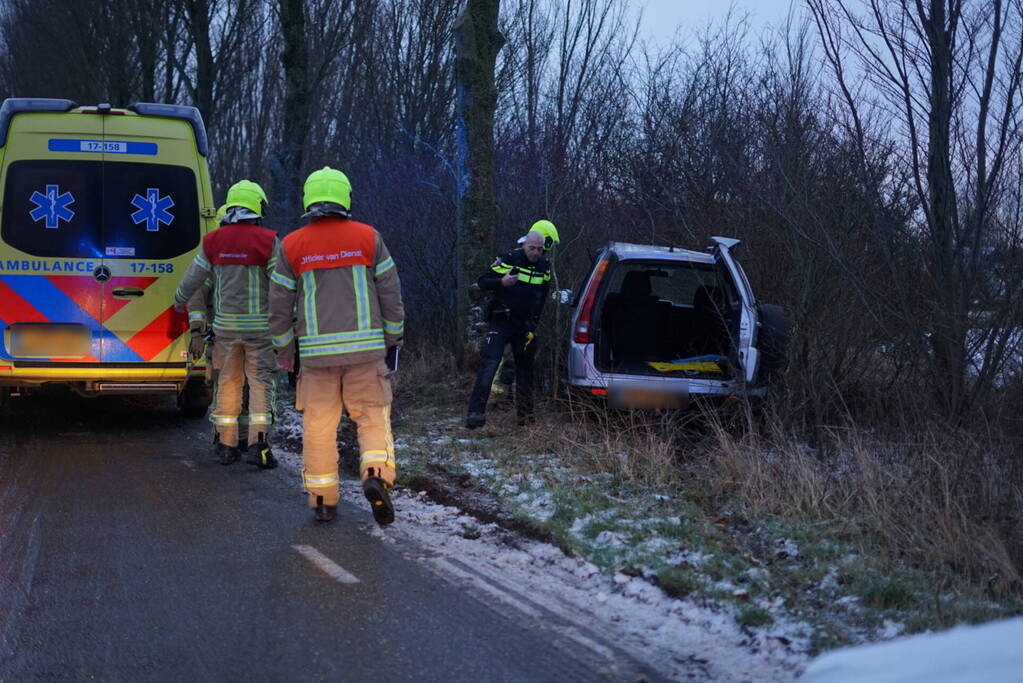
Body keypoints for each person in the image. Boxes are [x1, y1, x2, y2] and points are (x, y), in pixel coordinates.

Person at [269, 167, 404, 524]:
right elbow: (390, 293)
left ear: (309, 200)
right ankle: (376, 476)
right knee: (373, 418)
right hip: (366, 353)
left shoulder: (292, 245)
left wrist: (284, 352)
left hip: (315, 358)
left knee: (318, 426)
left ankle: (322, 499)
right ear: (345, 198)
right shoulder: (368, 238)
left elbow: (279, 306)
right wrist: (393, 338)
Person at [174, 180, 280, 469]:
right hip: (260, 331)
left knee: (228, 385)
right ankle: (258, 445)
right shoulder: (268, 240)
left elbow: (193, 279)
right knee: (259, 385)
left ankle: (226, 445)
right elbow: (282, 285)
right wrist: (291, 320)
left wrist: (179, 299)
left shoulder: (214, 241)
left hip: (225, 331)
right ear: (257, 208)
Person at [466, 220, 557, 429]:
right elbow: (482, 281)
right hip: (502, 319)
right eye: (531, 248)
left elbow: (542, 296)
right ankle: (475, 414)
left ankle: (526, 419)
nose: (535, 252)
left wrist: (534, 324)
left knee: (526, 371)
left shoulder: (544, 267)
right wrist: (501, 282)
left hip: (524, 325)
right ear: (524, 245)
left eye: (539, 249)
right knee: (490, 364)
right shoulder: (509, 259)